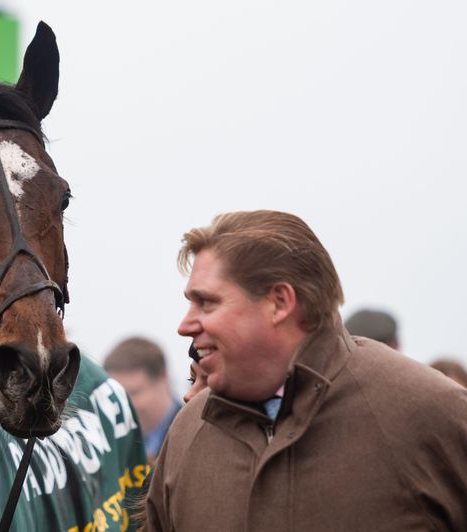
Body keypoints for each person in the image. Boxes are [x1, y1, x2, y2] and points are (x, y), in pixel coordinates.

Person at [144, 210, 467, 531]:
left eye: (206, 303)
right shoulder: (188, 432)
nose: (185, 326)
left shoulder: (428, 411)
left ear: (280, 302)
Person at [103, 336, 180, 462]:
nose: (124, 407)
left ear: (163, 377)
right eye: (116, 396)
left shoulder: (192, 437)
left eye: (134, 393)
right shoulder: (108, 447)